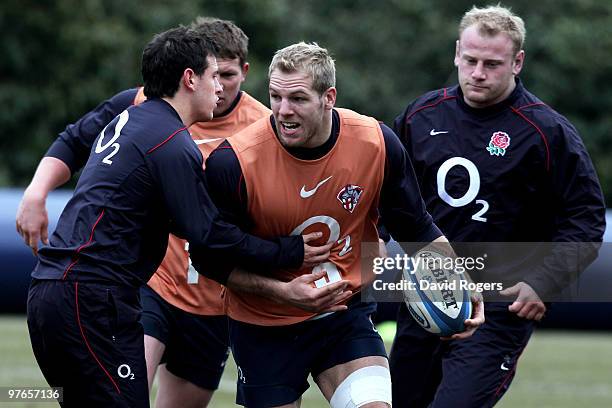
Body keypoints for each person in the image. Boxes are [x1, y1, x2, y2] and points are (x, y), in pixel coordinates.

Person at [25, 27, 326, 407]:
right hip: (91, 297)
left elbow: (182, 220)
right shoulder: (170, 141)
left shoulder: (138, 119)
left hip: (61, 290)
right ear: (189, 79)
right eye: (213, 76)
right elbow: (209, 234)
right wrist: (289, 252)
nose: (219, 87)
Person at [195, 42, 485, 408]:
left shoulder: (376, 142)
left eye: (298, 99)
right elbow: (209, 259)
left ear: (328, 97)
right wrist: (283, 292)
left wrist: (460, 277)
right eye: (275, 97)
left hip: (344, 315)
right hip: (263, 324)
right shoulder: (233, 162)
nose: (283, 111)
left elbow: (416, 228)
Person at [390, 5, 606, 407]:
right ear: (456, 52)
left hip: (498, 305)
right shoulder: (420, 115)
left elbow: (586, 218)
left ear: (517, 62)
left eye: (492, 63)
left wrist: (546, 281)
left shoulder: (547, 132)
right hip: (428, 293)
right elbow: (389, 197)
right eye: (470, 60)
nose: (477, 73)